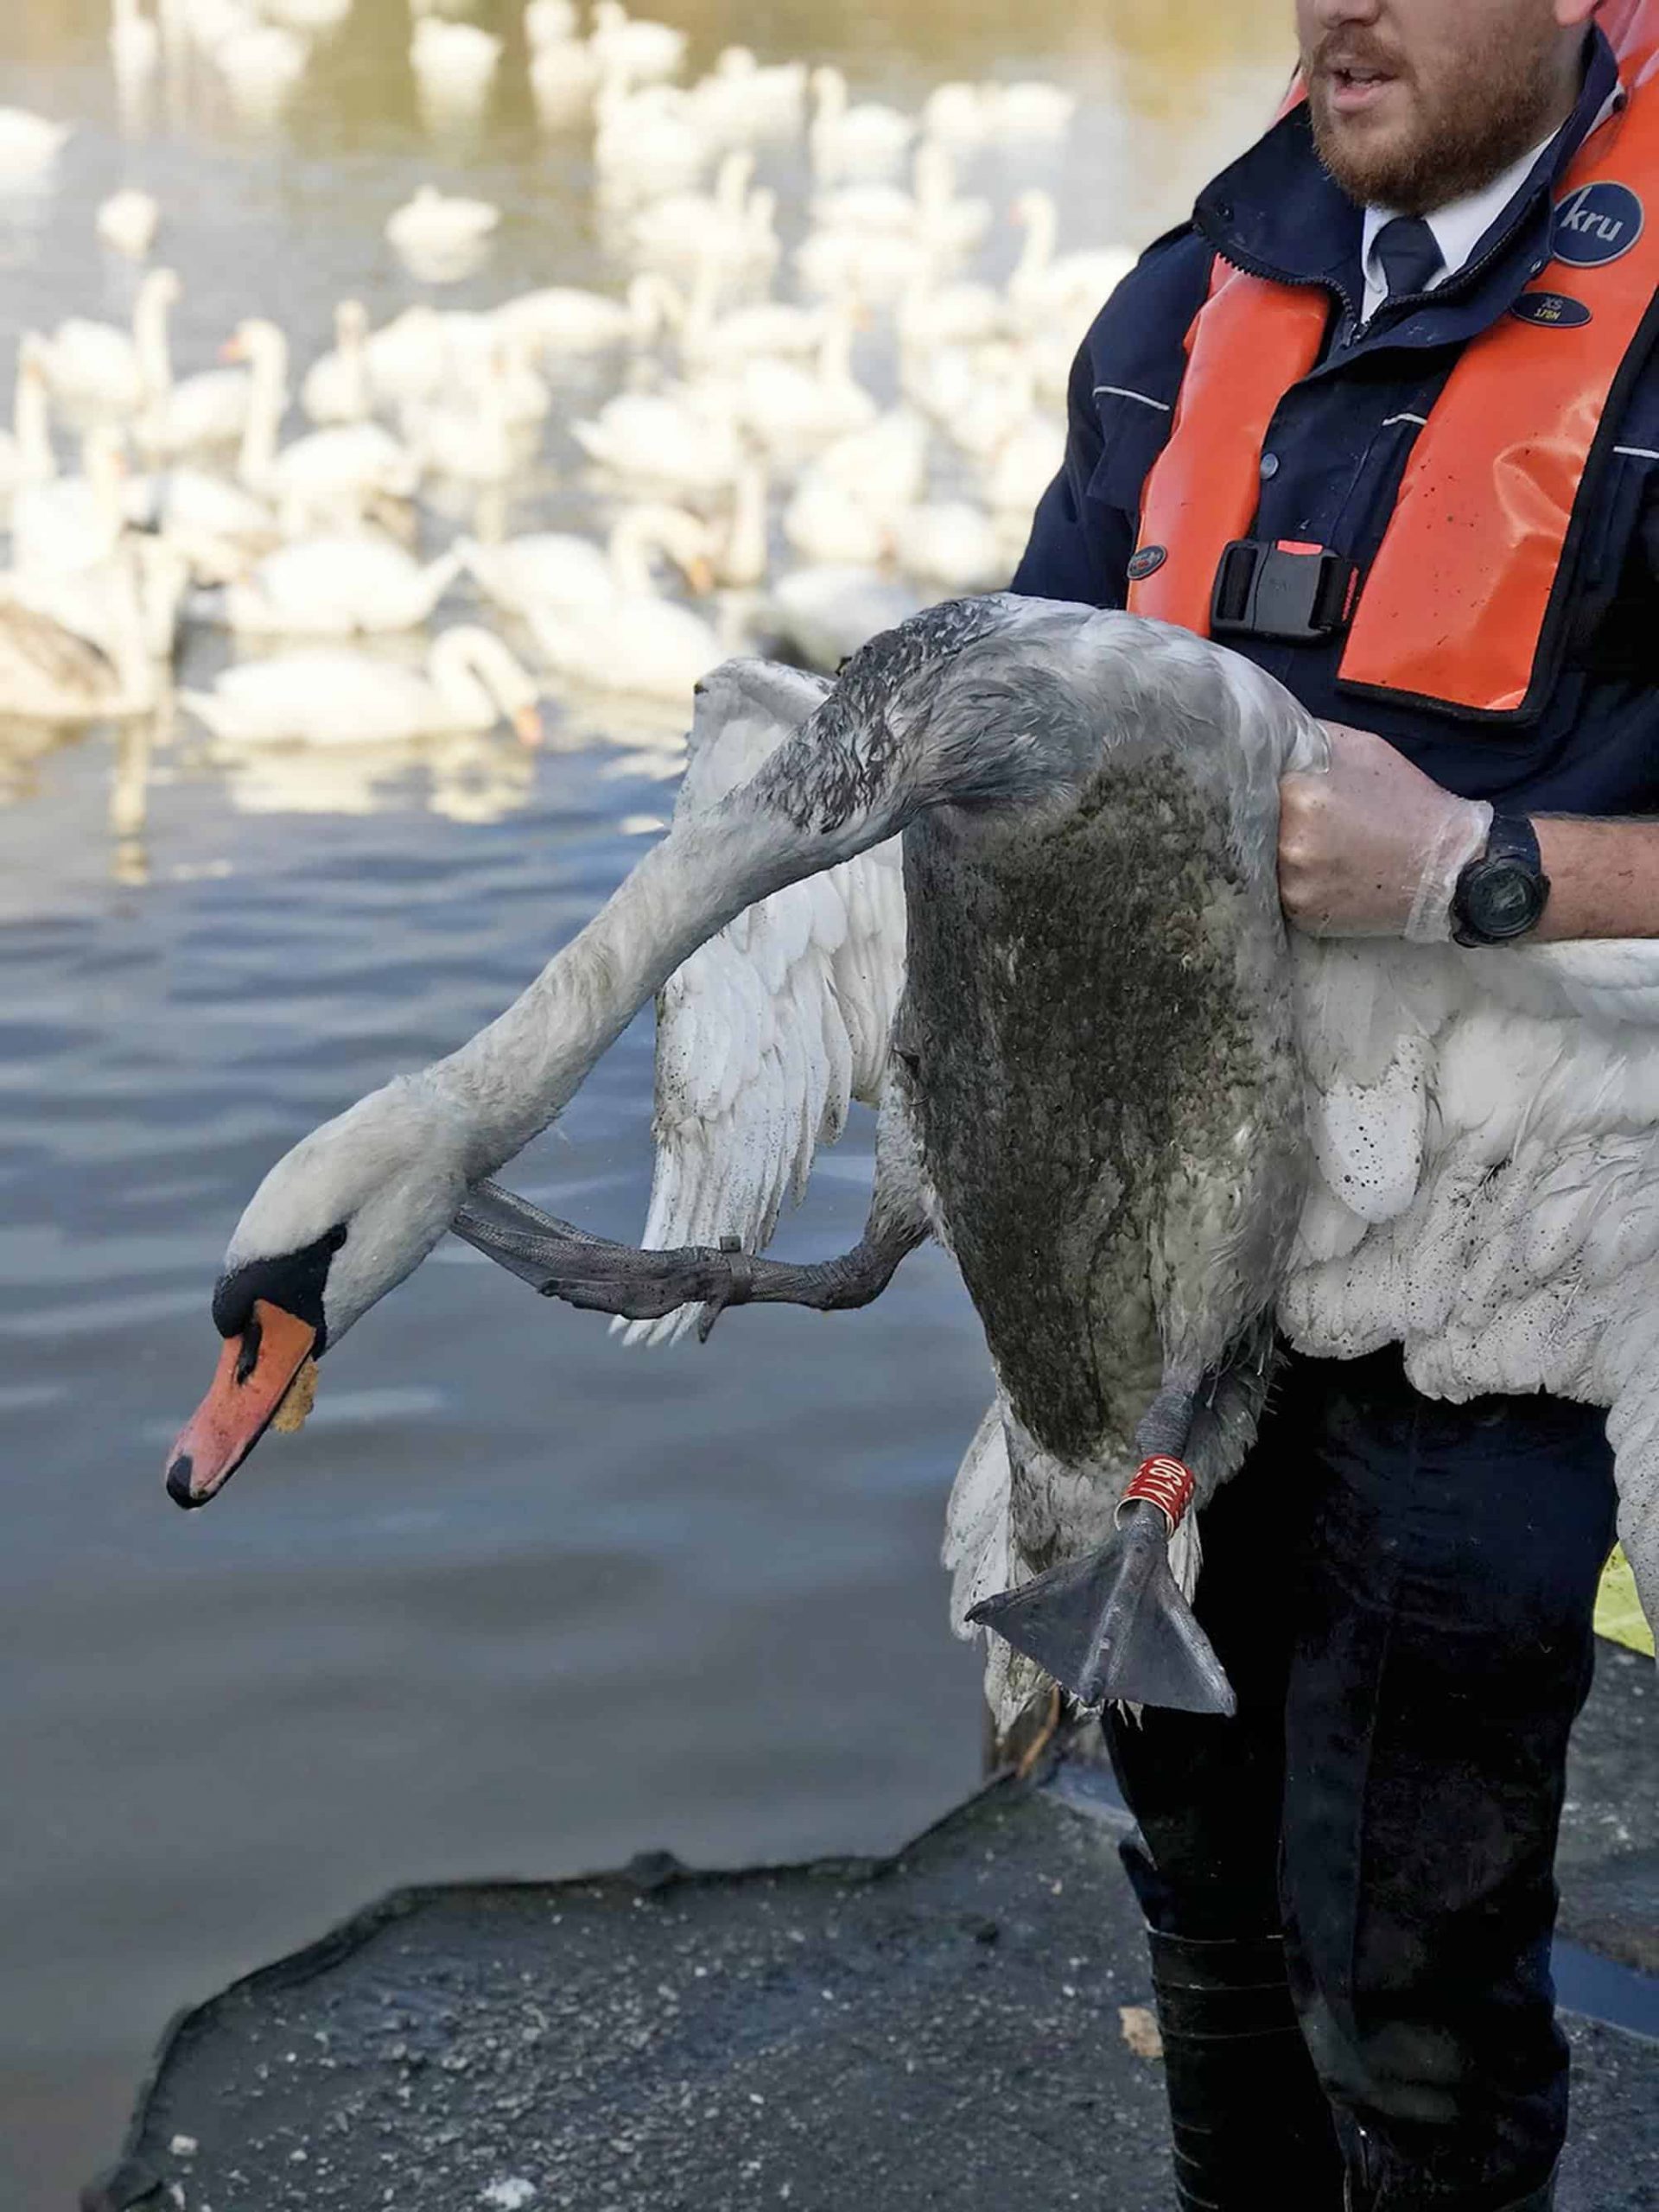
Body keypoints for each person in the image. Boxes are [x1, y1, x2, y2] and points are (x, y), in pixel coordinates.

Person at [1010, 2, 1658, 2206]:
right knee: (1197, 1898)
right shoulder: (1195, 295)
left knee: (1405, 1965)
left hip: (1503, 1277)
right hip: (1165, 1251)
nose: (1337, 8)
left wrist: (1475, 869)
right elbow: (1039, 694)